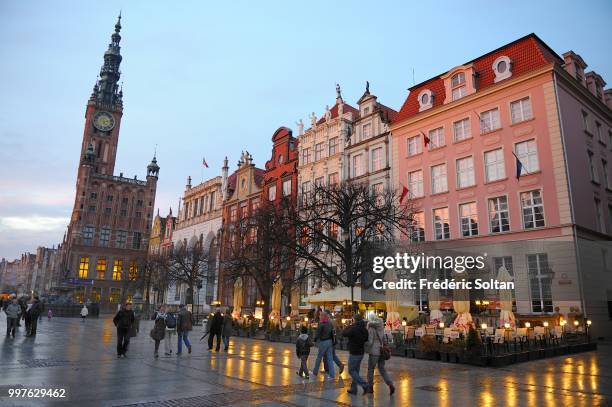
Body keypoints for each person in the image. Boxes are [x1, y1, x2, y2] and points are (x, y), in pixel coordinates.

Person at [365, 316, 395, 395]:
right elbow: (384, 340)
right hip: (381, 351)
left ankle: (370, 387)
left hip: (374, 352)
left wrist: (365, 346)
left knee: (371, 369)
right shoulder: (382, 328)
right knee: (382, 369)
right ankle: (390, 384)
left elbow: (370, 342)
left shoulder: (371, 329)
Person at [342, 314, 369, 395]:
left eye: (353, 320)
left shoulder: (354, 328)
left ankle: (364, 384)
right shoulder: (364, 328)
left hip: (354, 352)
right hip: (361, 352)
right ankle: (354, 389)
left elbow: (344, 333)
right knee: (355, 371)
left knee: (351, 370)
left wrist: (348, 325)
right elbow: (366, 338)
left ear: (355, 320)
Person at [312, 311, 335, 380]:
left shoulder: (321, 323)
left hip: (323, 342)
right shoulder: (330, 323)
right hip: (330, 342)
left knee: (319, 357)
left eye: (320, 315)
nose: (319, 317)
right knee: (330, 358)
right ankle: (332, 374)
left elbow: (318, 333)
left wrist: (314, 340)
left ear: (322, 316)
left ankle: (315, 372)